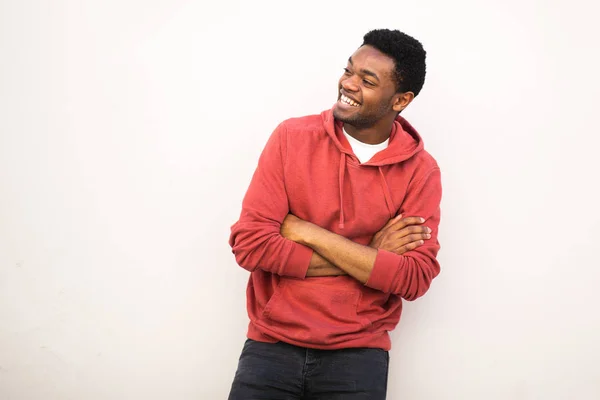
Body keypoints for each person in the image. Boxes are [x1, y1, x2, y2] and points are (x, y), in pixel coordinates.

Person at [227, 28, 442, 399]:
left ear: (400, 100)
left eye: (367, 80)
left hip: (359, 356)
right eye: (349, 70)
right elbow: (249, 246)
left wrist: (309, 232)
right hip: (271, 346)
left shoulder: (420, 171)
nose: (348, 83)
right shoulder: (292, 138)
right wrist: (372, 255)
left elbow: (415, 278)